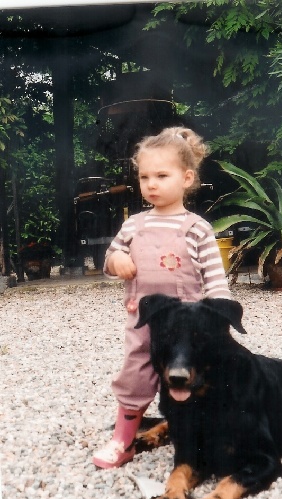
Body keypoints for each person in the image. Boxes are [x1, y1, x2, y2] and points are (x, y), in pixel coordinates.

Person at [93, 126, 231, 469]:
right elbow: (109, 261)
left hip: (187, 325)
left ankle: (202, 433)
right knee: (135, 373)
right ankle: (123, 439)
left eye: (161, 175)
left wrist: (220, 315)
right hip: (143, 322)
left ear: (186, 178)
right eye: (144, 176)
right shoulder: (133, 226)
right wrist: (117, 260)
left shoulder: (197, 228)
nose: (151, 184)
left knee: (193, 375)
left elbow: (215, 278)